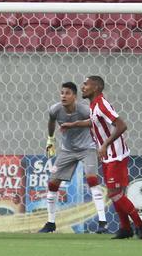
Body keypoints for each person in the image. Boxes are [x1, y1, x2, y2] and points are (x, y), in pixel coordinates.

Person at [80, 75, 142, 239]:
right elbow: (94, 122)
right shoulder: (94, 105)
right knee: (115, 193)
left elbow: (121, 125)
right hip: (108, 155)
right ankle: (126, 229)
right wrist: (72, 125)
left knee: (114, 193)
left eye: (86, 84)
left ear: (96, 87)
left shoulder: (102, 104)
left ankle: (140, 225)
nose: (82, 87)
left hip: (115, 154)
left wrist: (104, 144)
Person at [40, 82, 108, 234]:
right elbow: (51, 120)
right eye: (62, 93)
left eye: (67, 93)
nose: (64, 96)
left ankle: (102, 222)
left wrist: (99, 143)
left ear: (75, 96)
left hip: (87, 148)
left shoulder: (84, 110)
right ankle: (50, 223)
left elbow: (95, 122)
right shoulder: (55, 109)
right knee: (52, 183)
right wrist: (50, 139)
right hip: (67, 150)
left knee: (92, 180)